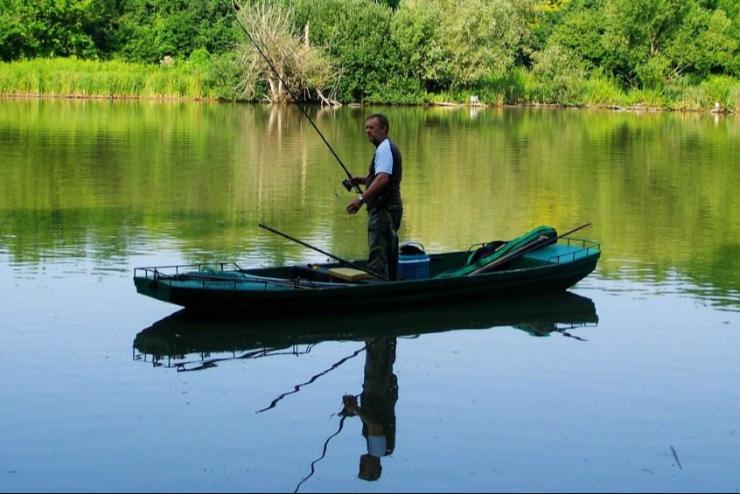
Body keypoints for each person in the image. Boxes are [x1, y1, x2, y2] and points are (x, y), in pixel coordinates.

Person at [345, 114, 403, 280]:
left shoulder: (384, 148)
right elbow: (382, 177)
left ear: (383, 129)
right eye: (366, 128)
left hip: (383, 210)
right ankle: (391, 285)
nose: (367, 131)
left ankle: (376, 290)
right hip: (391, 208)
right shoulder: (387, 147)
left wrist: (361, 200)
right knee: (389, 253)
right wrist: (363, 180)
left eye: (372, 127)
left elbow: (383, 179)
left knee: (378, 255)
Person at [341, 337, 398, 482]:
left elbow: (373, 422)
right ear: (375, 467)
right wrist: (355, 409)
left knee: (382, 358)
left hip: (381, 392)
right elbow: (376, 426)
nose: (360, 465)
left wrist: (354, 411)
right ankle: (376, 336)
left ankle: (380, 337)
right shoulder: (377, 450)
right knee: (376, 357)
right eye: (362, 469)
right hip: (377, 392)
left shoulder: (381, 449)